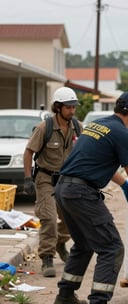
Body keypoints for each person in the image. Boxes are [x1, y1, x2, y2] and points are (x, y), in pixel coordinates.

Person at [53, 91, 128, 304]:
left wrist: (123, 183)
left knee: (83, 244)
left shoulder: (98, 125)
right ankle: (98, 300)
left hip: (64, 189)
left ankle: (65, 296)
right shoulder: (123, 134)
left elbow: (96, 162)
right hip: (82, 194)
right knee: (112, 248)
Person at [23, 87, 83, 277]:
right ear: (58, 107)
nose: (72, 111)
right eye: (68, 107)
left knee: (71, 217)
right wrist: (27, 178)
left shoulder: (77, 126)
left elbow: (85, 149)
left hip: (67, 180)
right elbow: (28, 152)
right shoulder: (44, 128)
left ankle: (60, 242)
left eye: (74, 107)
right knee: (48, 218)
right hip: (46, 178)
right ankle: (47, 257)